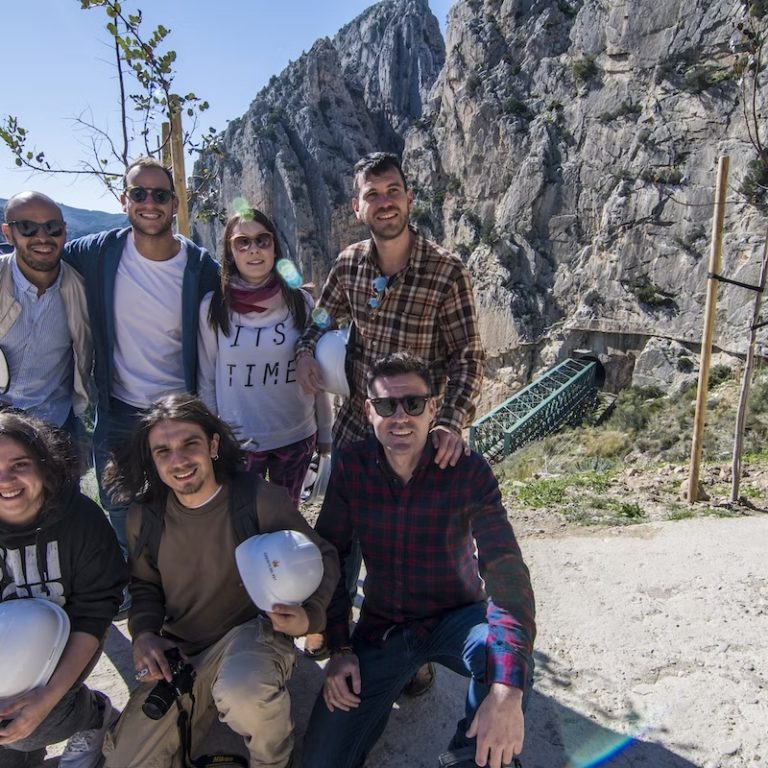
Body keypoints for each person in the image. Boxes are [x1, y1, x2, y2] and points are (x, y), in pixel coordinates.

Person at [295, 151, 486, 667]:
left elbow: (469, 358)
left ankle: (415, 654)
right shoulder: (349, 264)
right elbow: (317, 321)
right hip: (360, 423)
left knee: (414, 549)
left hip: (417, 433)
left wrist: (448, 423)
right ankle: (331, 631)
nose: (384, 202)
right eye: (372, 194)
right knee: (339, 538)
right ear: (358, 207)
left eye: (392, 191)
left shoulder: (446, 272)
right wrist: (305, 352)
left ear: (409, 199)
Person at [302, 352, 535, 768]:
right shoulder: (353, 467)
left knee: (502, 657)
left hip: (458, 617)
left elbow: (508, 576)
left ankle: (473, 758)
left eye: (412, 404)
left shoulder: (466, 471)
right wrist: (339, 646)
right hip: (384, 627)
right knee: (322, 759)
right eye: (387, 406)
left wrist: (506, 689)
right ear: (369, 411)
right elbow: (331, 555)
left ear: (433, 408)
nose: (400, 418)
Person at [100, 394, 340, 768]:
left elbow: (322, 554)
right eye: (162, 451)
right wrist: (145, 633)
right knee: (125, 760)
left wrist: (311, 616)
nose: (178, 460)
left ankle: (274, 761)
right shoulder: (144, 517)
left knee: (243, 689)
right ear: (152, 460)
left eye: (189, 444)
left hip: (251, 634)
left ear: (212, 444)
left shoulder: (257, 498)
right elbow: (145, 585)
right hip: (181, 653)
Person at [63, 157, 219, 552]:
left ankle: (179, 583)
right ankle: (136, 585)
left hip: (180, 409)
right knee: (119, 505)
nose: (150, 202)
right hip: (119, 408)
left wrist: (292, 296)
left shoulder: (199, 267)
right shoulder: (99, 252)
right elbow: (41, 254)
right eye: (139, 193)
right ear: (124, 199)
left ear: (175, 203)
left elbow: (246, 290)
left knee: (185, 500)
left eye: (160, 194)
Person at [0, 411, 128, 768]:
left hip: (67, 640)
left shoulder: (81, 520)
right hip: (5, 653)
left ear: (44, 466)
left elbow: (95, 612)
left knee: (32, 729)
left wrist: (47, 699)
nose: (5, 480)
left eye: (19, 464)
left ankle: (93, 715)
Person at [198, 207, 332, 506]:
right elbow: (206, 379)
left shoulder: (300, 301)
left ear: (275, 247)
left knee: (286, 522)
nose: (253, 249)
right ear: (230, 252)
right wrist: (211, 437)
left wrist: (325, 432)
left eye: (262, 240)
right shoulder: (214, 307)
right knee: (243, 525)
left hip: (296, 435)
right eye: (242, 242)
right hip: (239, 441)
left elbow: (316, 374)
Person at [0, 193, 92, 438]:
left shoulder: (82, 289)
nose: (42, 237)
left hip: (55, 428)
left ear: (65, 232)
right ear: (8, 233)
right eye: (27, 228)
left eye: (52, 228)